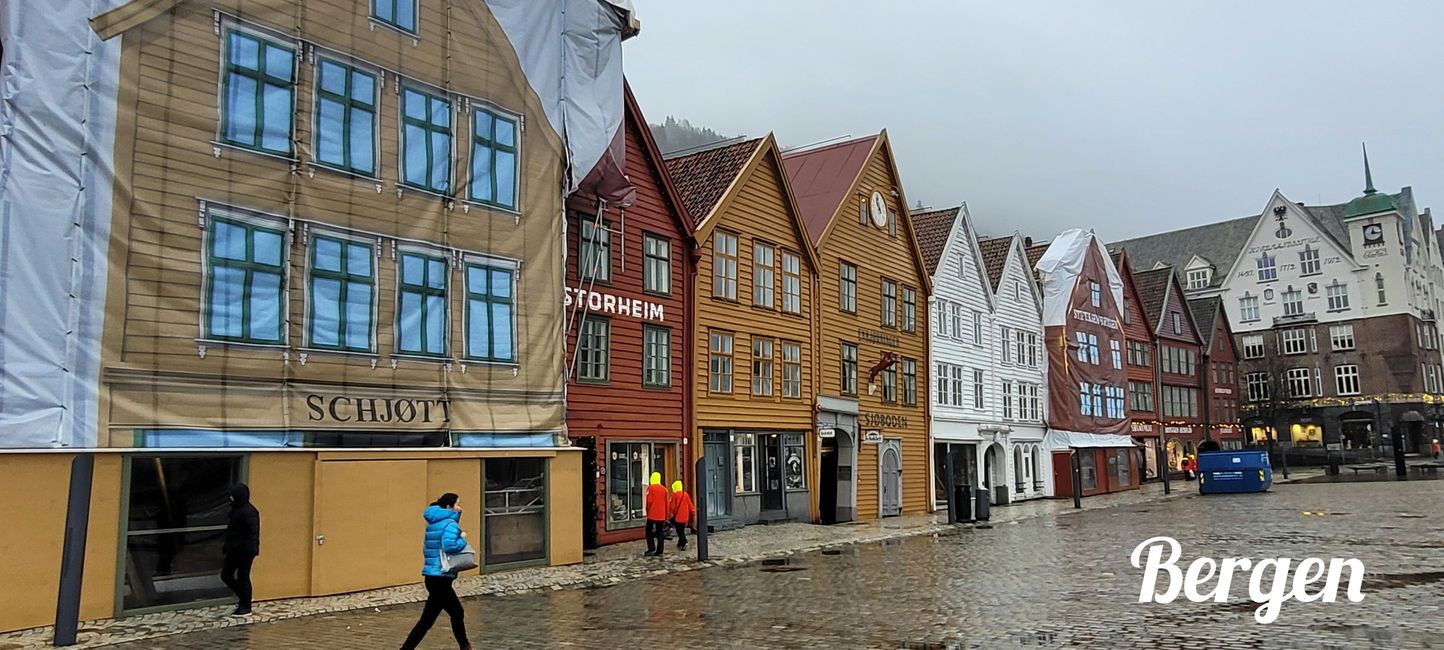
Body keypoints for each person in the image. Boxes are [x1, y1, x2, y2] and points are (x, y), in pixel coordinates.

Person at [402, 493, 472, 650]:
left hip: (432, 577)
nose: (460, 508)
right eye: (458, 504)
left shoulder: (433, 524)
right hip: (441, 579)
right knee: (456, 613)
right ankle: (465, 646)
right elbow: (450, 546)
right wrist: (463, 538)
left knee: (427, 621)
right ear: (449, 507)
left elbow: (427, 549)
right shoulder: (450, 524)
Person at [221, 483, 260, 616]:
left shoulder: (249, 511)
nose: (230, 498)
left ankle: (246, 604)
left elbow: (252, 533)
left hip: (245, 551)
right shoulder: (235, 510)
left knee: (243, 576)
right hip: (233, 550)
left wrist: (251, 550)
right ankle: (243, 598)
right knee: (226, 575)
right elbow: (232, 531)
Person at [644, 472, 669, 557]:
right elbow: (666, 504)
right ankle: (660, 550)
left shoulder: (650, 488)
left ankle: (651, 548)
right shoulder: (664, 489)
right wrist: (666, 515)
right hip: (661, 515)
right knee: (660, 532)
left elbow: (649, 501)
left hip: (652, 514)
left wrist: (647, 511)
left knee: (648, 531)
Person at [668, 480, 695, 552]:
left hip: (678, 517)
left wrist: (669, 514)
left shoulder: (674, 495)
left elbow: (672, 507)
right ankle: (680, 543)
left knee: (679, 531)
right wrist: (693, 513)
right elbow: (690, 505)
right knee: (681, 529)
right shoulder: (685, 494)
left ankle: (684, 542)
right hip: (685, 516)